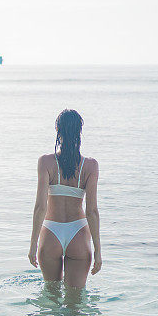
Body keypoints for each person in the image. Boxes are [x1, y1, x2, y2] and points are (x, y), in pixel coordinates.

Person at [28, 109, 101, 288]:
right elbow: (91, 211)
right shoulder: (90, 166)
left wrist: (33, 245)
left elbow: (40, 207)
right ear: (79, 132)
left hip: (51, 233)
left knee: (50, 298)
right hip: (79, 233)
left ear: (57, 131)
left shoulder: (46, 162)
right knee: (75, 305)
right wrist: (98, 251)